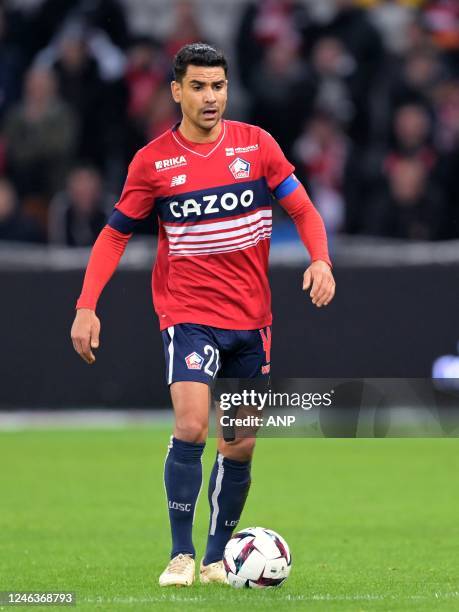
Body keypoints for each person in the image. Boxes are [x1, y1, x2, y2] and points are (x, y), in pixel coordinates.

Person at [70, 43, 335, 587]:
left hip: (251, 320)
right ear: (177, 91)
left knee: (240, 442)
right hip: (187, 313)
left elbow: (303, 207)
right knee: (192, 425)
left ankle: (216, 559)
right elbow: (115, 234)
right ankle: (179, 554)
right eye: (198, 86)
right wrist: (86, 305)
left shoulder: (256, 145)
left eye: (218, 86)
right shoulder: (153, 162)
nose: (210, 97)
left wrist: (321, 260)